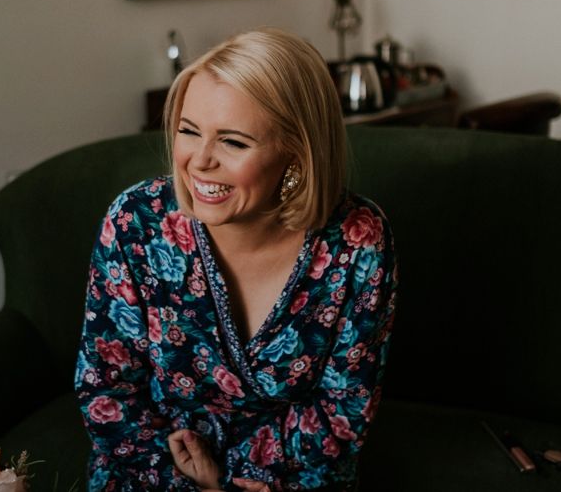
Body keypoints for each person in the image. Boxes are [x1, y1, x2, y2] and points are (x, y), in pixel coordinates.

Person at [75, 28, 397, 491]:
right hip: (155, 473)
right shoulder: (136, 223)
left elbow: (343, 410)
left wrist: (236, 481)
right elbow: (105, 388)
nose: (199, 161)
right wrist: (192, 482)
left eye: (234, 142)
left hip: (293, 480)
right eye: (189, 131)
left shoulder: (357, 240)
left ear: (296, 153)